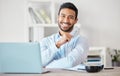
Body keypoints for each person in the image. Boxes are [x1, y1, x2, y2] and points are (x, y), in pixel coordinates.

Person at [40, 2, 89, 68]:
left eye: (71, 17)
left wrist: (46, 66)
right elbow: (40, 62)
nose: (66, 20)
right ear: (58, 17)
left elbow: (70, 62)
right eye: (63, 16)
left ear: (75, 21)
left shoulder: (82, 41)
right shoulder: (45, 41)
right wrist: (57, 44)